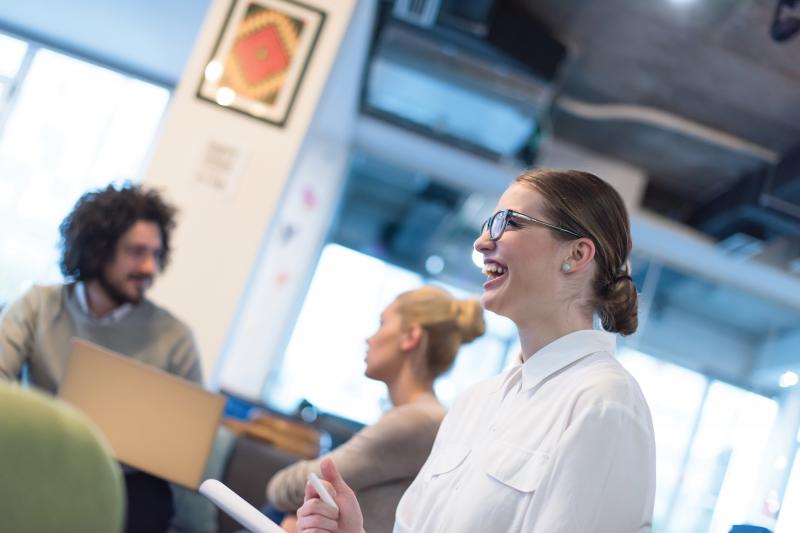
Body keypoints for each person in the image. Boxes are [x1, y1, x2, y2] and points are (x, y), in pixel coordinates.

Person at [295, 169, 657, 533]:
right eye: (488, 224)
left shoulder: (606, 403)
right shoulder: (475, 402)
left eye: (508, 223)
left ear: (577, 254)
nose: (483, 241)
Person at [0, 183, 202, 533]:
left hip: (124, 480)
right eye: (136, 252)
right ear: (98, 250)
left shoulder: (175, 339)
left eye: (156, 254)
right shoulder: (38, 305)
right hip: (39, 456)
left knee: (150, 502)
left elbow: (188, 447)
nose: (149, 267)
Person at [266, 286, 485, 533]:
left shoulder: (416, 421)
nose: (369, 339)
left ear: (411, 336)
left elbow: (285, 488)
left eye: (382, 323)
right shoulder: (420, 417)